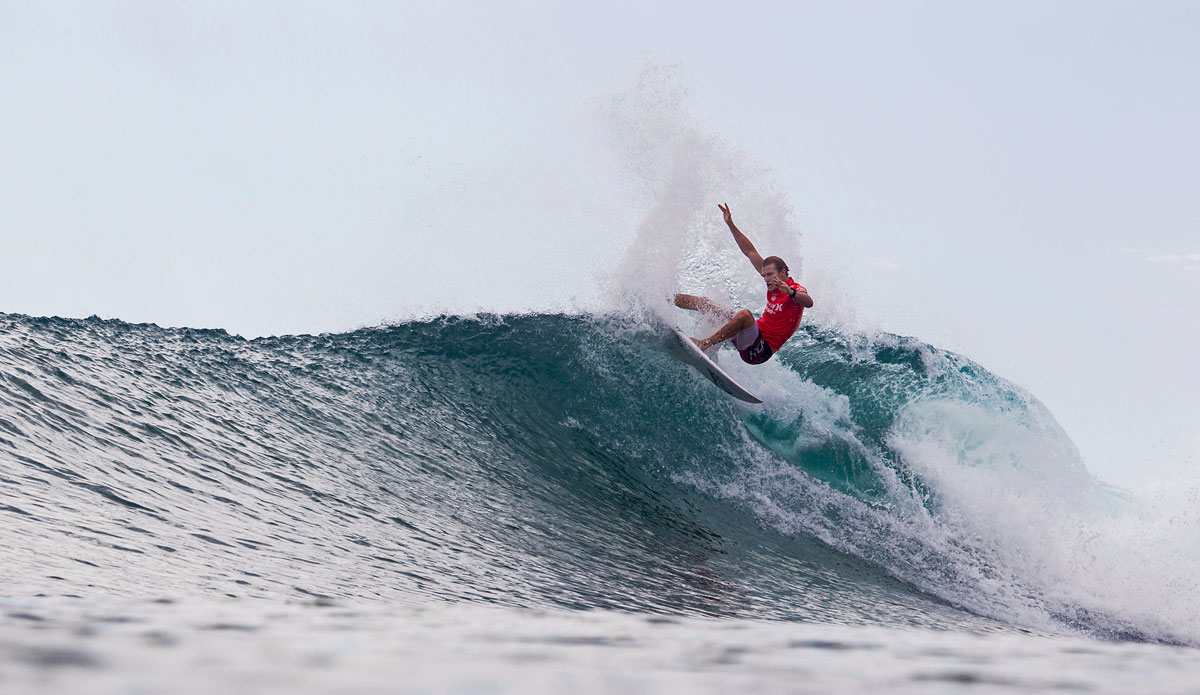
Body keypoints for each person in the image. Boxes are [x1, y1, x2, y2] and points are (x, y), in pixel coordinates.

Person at [674, 203, 813, 365]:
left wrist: (789, 292)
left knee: (745, 315)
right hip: (749, 335)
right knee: (707, 304)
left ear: (783, 273)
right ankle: (665, 300)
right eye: (764, 275)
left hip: (760, 351)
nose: (766, 279)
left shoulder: (795, 290)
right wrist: (731, 225)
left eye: (770, 275)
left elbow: (809, 302)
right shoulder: (771, 283)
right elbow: (749, 251)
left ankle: (704, 345)